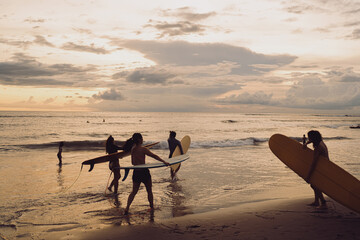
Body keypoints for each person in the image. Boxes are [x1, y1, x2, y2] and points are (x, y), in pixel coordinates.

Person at [124, 133, 169, 215]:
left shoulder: (133, 149)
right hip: (144, 172)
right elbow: (154, 156)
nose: (142, 140)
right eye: (141, 138)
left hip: (136, 172)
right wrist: (164, 162)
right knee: (149, 191)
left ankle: (127, 208)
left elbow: (133, 162)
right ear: (139, 140)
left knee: (133, 192)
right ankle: (151, 207)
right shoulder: (143, 149)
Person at [303, 130, 328, 208]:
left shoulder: (318, 148)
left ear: (314, 138)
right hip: (324, 166)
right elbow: (310, 141)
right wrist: (306, 143)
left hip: (321, 168)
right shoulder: (321, 142)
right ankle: (317, 201)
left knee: (315, 185)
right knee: (314, 184)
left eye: (309, 137)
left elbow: (314, 163)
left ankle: (323, 203)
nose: (308, 139)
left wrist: (308, 175)